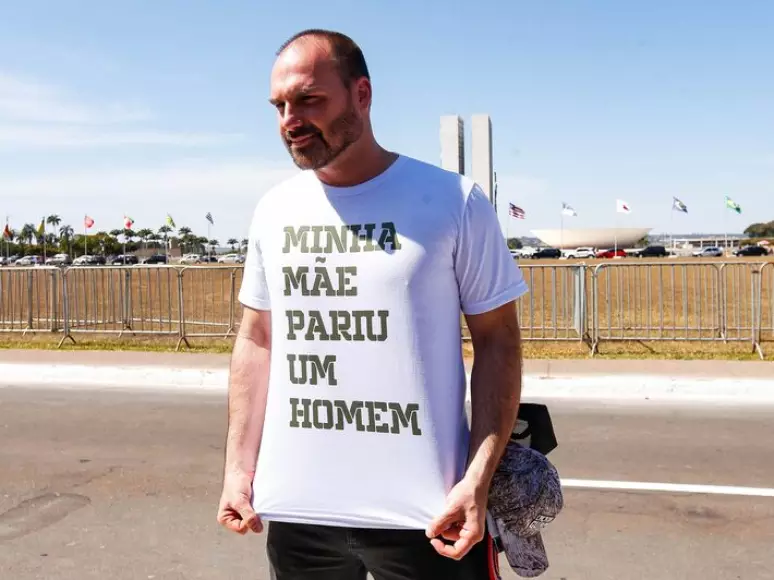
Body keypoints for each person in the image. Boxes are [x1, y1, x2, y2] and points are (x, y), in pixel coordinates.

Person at [217, 28, 528, 580]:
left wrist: (478, 478)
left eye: (309, 100)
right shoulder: (274, 210)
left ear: (361, 94)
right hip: (299, 515)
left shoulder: (453, 201)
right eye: (280, 106)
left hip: (431, 517)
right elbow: (258, 338)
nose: (290, 120)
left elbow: (498, 341)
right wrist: (238, 468)